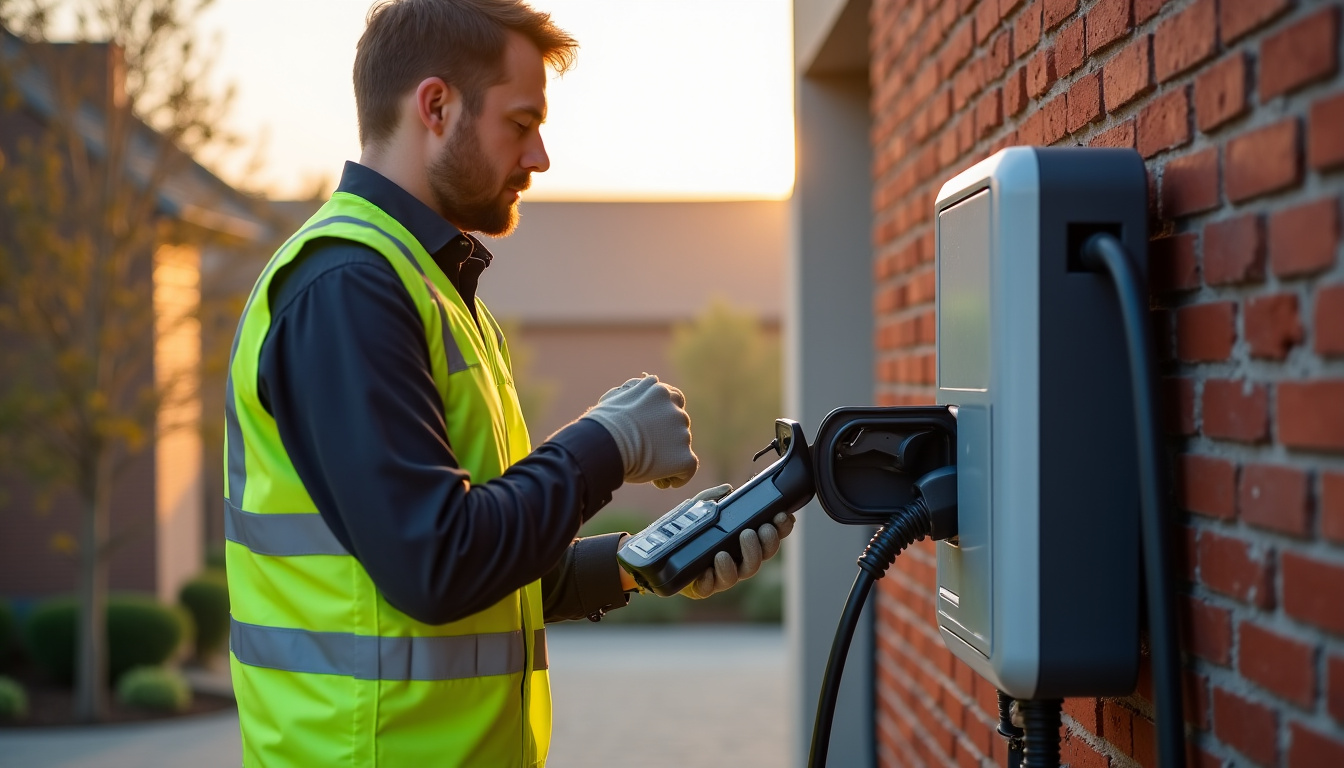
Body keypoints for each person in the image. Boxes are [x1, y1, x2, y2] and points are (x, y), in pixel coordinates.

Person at [221, 1, 795, 766]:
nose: (541, 157)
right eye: (521, 124)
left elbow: (486, 562)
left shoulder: (427, 288)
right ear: (436, 107)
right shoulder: (349, 289)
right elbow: (436, 563)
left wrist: (638, 565)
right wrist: (608, 442)